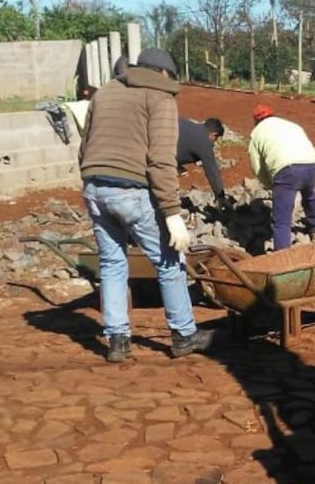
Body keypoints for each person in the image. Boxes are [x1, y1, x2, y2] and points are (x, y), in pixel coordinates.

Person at [78, 48, 212, 363]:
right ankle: (184, 335)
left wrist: (93, 183)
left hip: (95, 187)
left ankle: (117, 341)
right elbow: (161, 160)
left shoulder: (107, 91)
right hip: (131, 190)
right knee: (169, 262)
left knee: (112, 264)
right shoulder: (160, 97)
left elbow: (84, 148)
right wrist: (172, 214)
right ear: (163, 74)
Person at [248, 103, 315, 250]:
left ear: (256, 121)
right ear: (272, 115)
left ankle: (283, 256)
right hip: (311, 164)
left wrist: (269, 184)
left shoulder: (256, 133)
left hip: (286, 171)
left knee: (281, 221)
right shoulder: (291, 125)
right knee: (309, 194)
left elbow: (257, 166)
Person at [177, 116, 231, 208]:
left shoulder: (188, 125)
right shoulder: (204, 141)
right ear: (213, 135)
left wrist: (177, 166)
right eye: (215, 139)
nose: (213, 143)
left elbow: (178, 146)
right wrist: (220, 197)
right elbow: (212, 170)